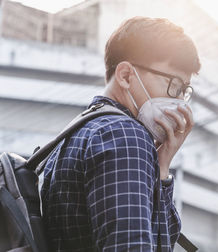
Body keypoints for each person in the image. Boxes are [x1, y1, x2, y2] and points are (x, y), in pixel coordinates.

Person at [41, 16, 201, 251]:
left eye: (184, 91)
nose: (178, 102)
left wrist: (162, 166)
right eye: (173, 85)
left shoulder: (79, 132)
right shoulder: (124, 136)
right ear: (126, 76)